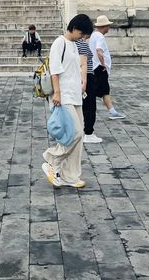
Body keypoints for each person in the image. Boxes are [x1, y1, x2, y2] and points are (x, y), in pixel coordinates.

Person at [41, 14, 94, 189]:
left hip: (75, 94)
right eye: (83, 34)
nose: (84, 38)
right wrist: (56, 92)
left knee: (79, 140)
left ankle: (70, 176)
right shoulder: (60, 42)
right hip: (63, 95)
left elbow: (75, 68)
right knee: (75, 133)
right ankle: (52, 160)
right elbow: (55, 69)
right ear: (76, 28)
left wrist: (81, 84)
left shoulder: (73, 45)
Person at [89, 15, 126, 120]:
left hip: (95, 67)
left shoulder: (93, 35)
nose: (109, 28)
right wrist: (103, 64)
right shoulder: (100, 36)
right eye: (108, 26)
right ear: (104, 26)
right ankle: (112, 112)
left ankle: (113, 111)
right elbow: (99, 51)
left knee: (102, 90)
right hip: (100, 68)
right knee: (103, 90)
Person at [76, 32, 102, 144]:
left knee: (83, 106)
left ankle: (83, 130)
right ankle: (88, 132)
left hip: (80, 77)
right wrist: (84, 82)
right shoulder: (81, 44)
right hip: (87, 77)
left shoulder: (72, 44)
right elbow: (84, 63)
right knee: (90, 106)